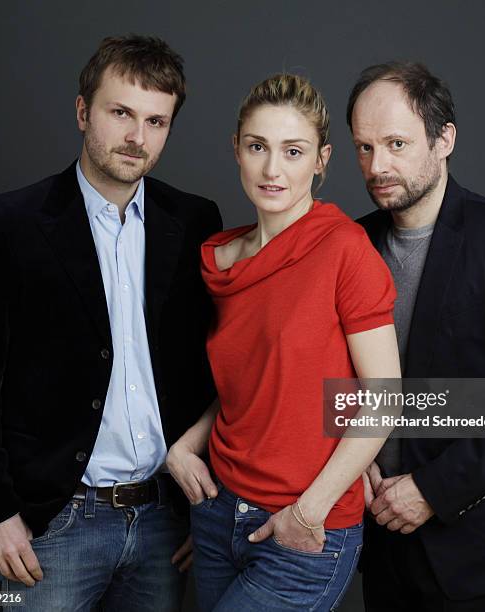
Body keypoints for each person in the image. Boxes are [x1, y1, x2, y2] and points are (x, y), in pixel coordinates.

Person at [0, 35, 221, 611]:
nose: (137, 137)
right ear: (83, 112)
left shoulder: (195, 220)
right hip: (51, 524)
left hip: (162, 522)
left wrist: (196, 507)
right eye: (121, 113)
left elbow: (213, 366)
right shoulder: (11, 223)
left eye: (156, 121)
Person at [165, 73, 401, 611]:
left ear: (321, 160)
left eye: (293, 152)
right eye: (258, 147)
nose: (273, 170)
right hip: (218, 511)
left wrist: (308, 511)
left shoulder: (344, 249)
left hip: (302, 528)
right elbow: (250, 383)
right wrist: (184, 445)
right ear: (237, 151)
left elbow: (385, 397)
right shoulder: (218, 258)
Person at [347, 61, 485, 612]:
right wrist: (353, 455)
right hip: (377, 534)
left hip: (479, 546)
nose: (378, 166)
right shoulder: (352, 243)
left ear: (444, 139)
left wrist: (431, 490)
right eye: (364, 147)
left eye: (396, 144)